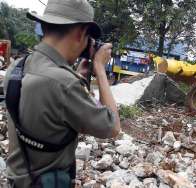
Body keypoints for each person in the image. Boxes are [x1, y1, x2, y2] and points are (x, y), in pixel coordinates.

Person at [4, 0, 120, 187]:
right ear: (81, 33)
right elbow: (112, 126)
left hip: (19, 179)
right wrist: (99, 67)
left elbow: (53, 110)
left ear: (44, 25)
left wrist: (79, 76)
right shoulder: (64, 83)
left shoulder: (17, 67)